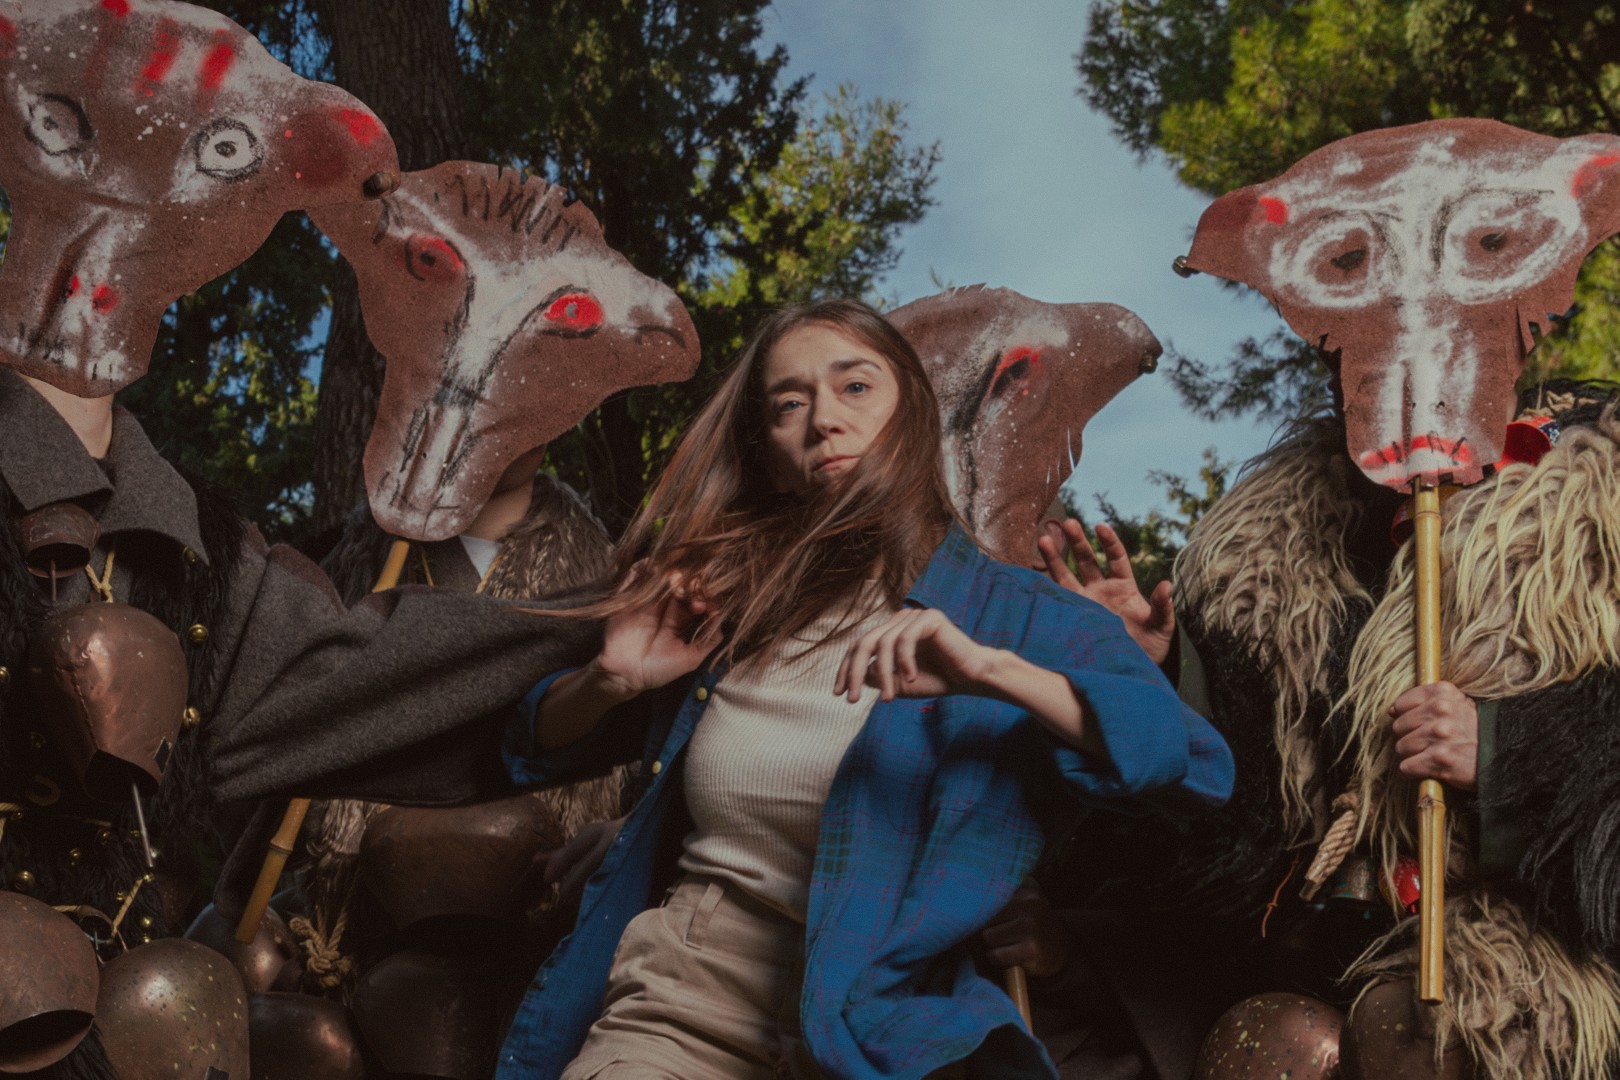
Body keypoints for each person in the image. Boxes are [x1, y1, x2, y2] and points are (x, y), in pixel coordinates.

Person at [494, 299, 1233, 1080]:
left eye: (855, 387)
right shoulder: (724, 604)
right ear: (770, 457)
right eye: (789, 404)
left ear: (914, 416)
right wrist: (608, 681)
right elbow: (526, 751)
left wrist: (992, 673)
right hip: (684, 999)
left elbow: (1193, 768)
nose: (823, 420)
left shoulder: (1016, 615)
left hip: (889, 1027)